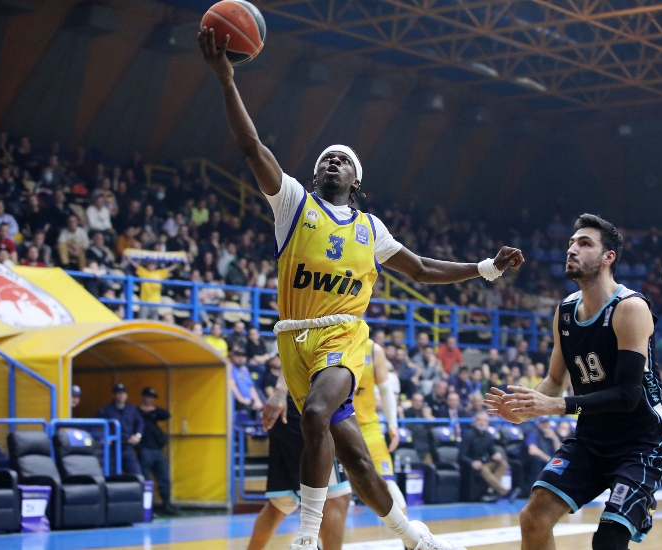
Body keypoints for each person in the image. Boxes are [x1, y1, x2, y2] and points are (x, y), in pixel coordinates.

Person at [199, 24, 523, 550]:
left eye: (344, 159)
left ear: (357, 180)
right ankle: (414, 538)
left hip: (343, 334)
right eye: (326, 158)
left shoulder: (371, 229)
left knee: (316, 414)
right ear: (316, 175)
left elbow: (421, 269)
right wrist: (225, 79)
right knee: (357, 461)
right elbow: (251, 145)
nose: (333, 161)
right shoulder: (292, 205)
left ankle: (306, 537)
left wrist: (484, 268)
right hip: (294, 340)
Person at [485, 214, 662, 549]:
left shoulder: (630, 307)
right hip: (591, 439)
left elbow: (628, 395)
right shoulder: (566, 311)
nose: (572, 249)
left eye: (585, 244)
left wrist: (555, 406)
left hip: (639, 444)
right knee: (534, 517)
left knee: (608, 540)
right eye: (571, 243)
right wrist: (526, 409)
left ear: (608, 257)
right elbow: (555, 380)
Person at [249, 374, 350, 550]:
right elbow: (292, 355)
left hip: (295, 405)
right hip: (307, 404)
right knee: (337, 496)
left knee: (282, 501)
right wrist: (280, 390)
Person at [353, 339, 407, 511]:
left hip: (369, 426)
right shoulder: (329, 341)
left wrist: (393, 424)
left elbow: (385, 389)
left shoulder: (373, 349)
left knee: (386, 482)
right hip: (335, 426)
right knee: (335, 491)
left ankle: (408, 529)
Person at [137, 387, 180, 516]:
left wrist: (153, 409)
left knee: (164, 478)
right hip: (144, 449)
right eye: (148, 397)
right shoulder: (136, 412)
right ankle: (147, 508)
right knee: (146, 480)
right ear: (143, 397)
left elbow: (166, 414)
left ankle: (166, 504)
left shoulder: (155, 412)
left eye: (152, 398)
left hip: (157, 449)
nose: (150, 400)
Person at [458, 411, 509, 502]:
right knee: (484, 468)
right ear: (474, 421)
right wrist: (472, 462)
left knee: (503, 463)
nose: (482, 422)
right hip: (472, 465)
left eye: (484, 420)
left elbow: (492, 452)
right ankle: (505, 492)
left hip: (485, 463)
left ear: (487, 423)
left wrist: (496, 455)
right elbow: (462, 455)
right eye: (479, 420)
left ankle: (490, 491)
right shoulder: (468, 435)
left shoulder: (488, 436)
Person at [96, 383, 144, 476]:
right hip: (111, 449)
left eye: (124, 393)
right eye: (119, 393)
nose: (122, 395)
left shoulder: (132, 409)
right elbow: (94, 424)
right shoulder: (106, 409)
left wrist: (137, 435)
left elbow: (140, 423)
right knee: (110, 476)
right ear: (114, 395)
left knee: (137, 475)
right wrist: (102, 437)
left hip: (127, 447)